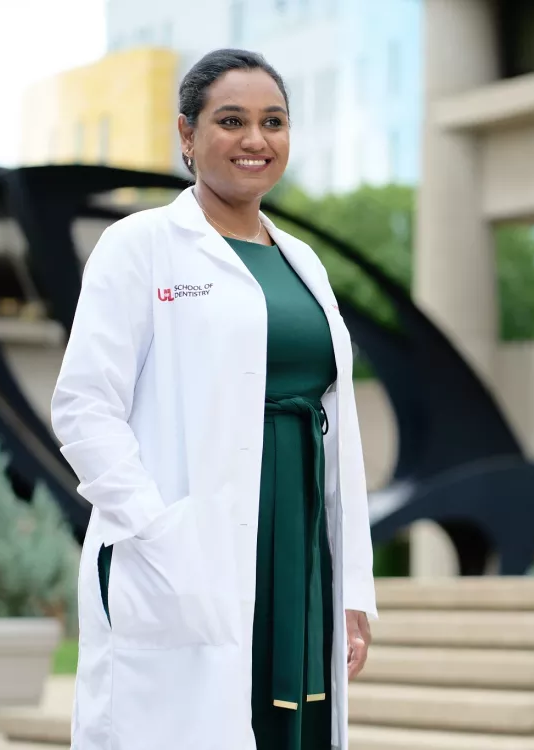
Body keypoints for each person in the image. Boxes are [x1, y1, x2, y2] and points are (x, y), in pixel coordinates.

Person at [50, 48, 377, 750]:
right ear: (187, 135)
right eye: (231, 121)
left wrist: (351, 587)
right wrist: (157, 530)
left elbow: (337, 427)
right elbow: (83, 406)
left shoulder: (302, 261)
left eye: (273, 122)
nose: (256, 140)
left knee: (293, 726)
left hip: (295, 536)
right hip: (187, 542)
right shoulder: (140, 245)